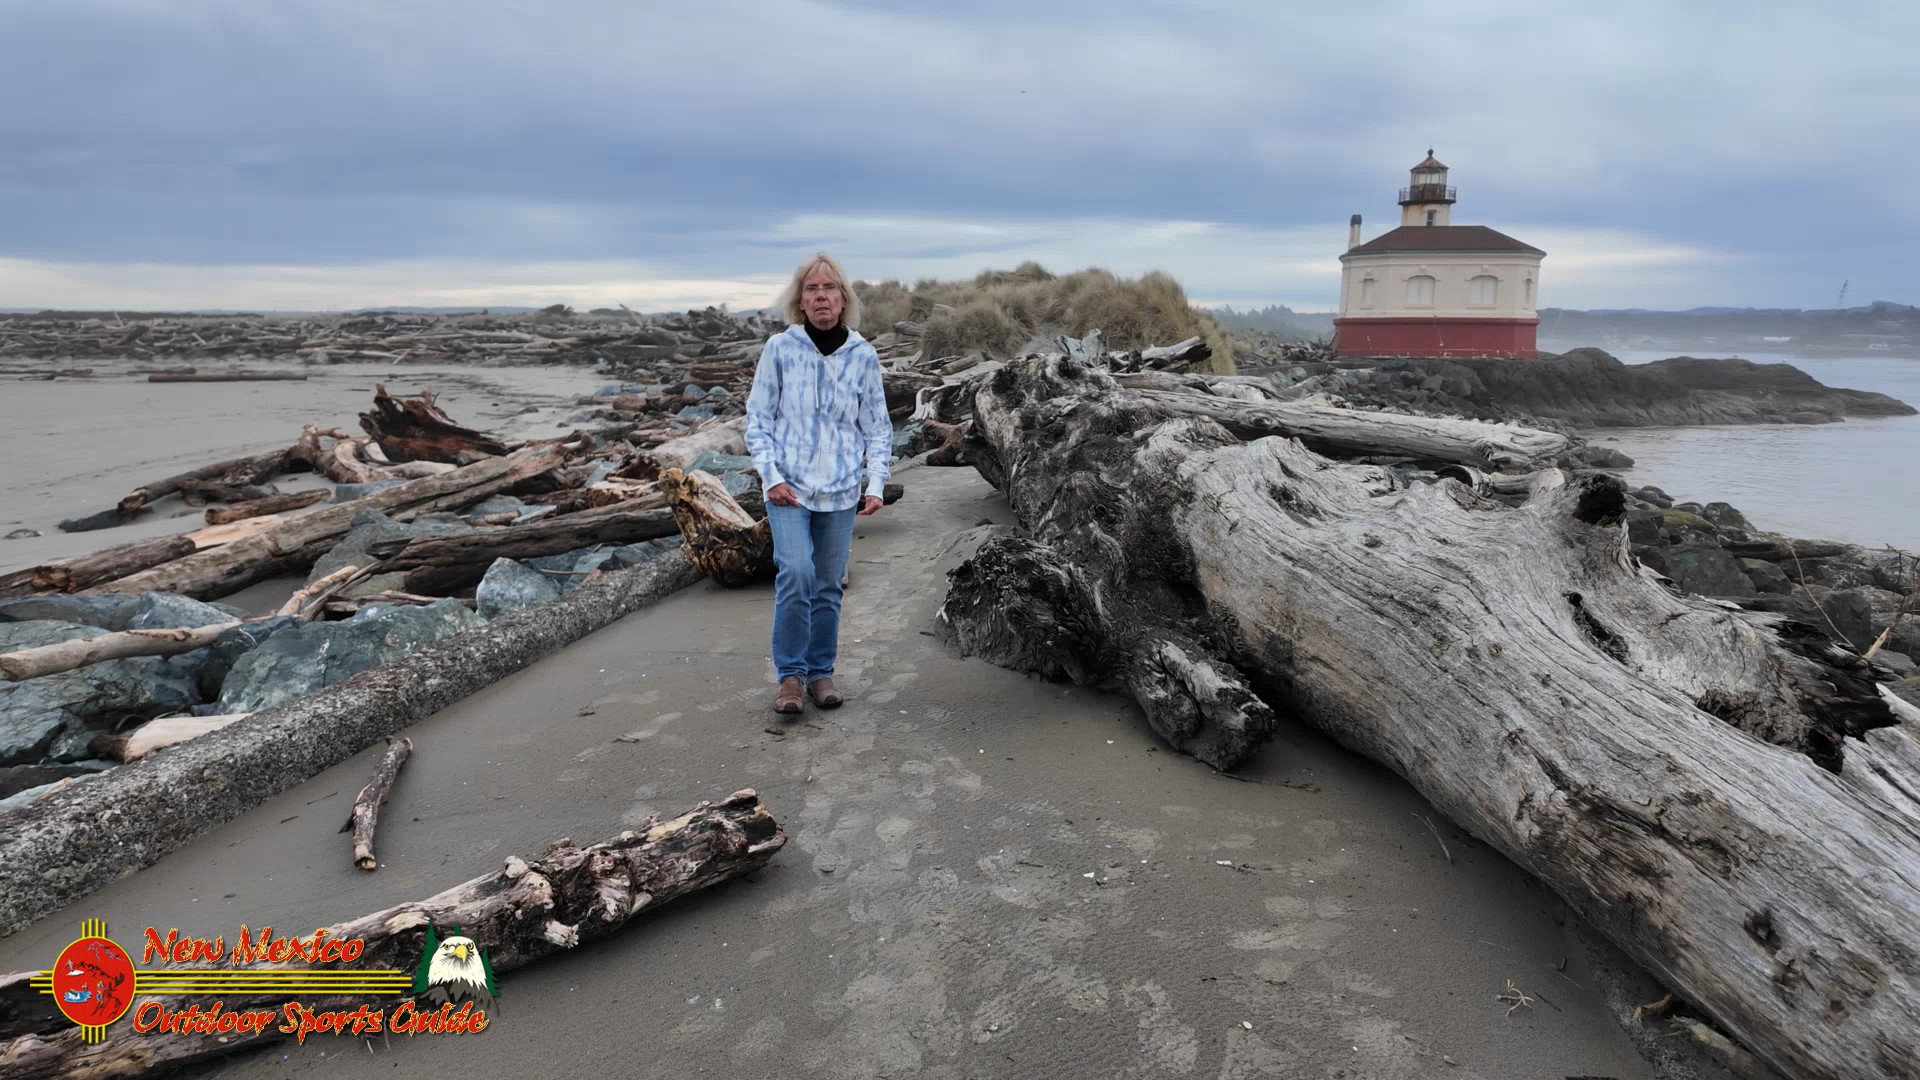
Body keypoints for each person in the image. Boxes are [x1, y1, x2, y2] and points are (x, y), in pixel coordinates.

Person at [743, 252, 891, 714]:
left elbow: (879, 427)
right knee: (796, 573)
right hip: (788, 488)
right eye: (812, 289)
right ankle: (790, 677)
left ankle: (820, 673)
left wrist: (877, 483)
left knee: (828, 583)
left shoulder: (863, 356)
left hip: (842, 488)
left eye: (830, 288)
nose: (821, 295)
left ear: (843, 298)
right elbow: (758, 419)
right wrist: (770, 476)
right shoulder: (780, 350)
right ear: (800, 302)